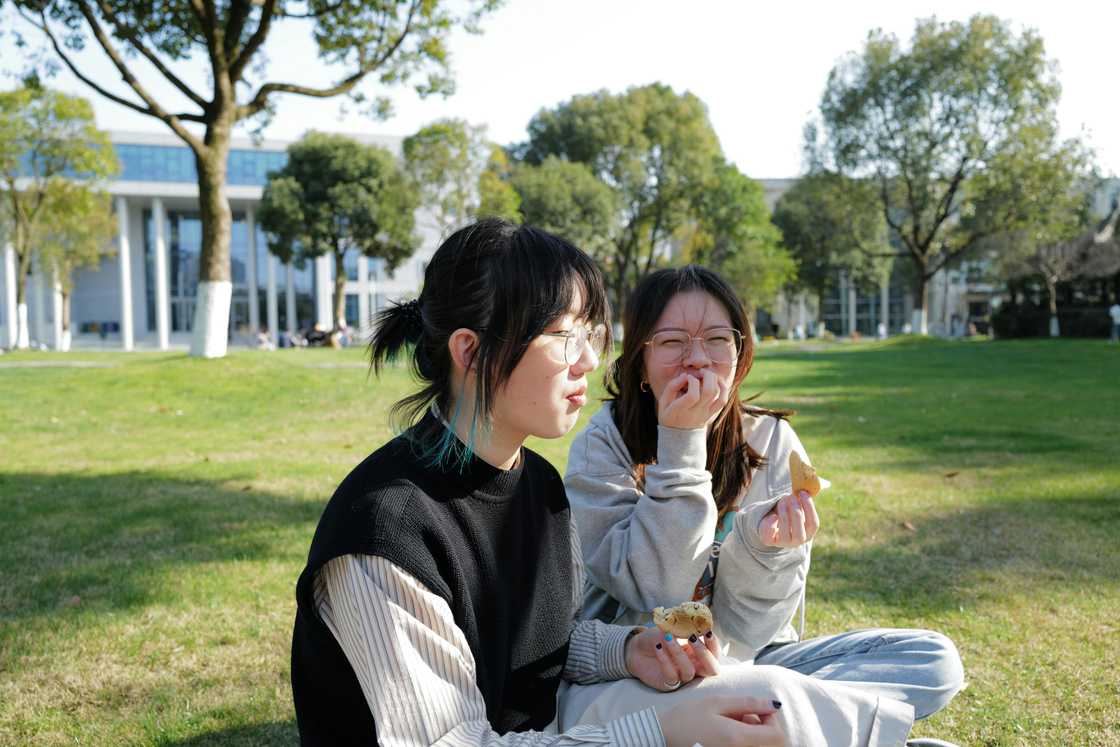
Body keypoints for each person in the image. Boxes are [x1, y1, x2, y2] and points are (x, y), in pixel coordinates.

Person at [290, 222, 788, 747]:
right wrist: (656, 735)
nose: (590, 361)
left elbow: (539, 638)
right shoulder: (385, 536)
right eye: (562, 336)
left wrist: (629, 648)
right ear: (471, 351)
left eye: (590, 334)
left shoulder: (540, 485)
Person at [563, 265, 963, 740]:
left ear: (741, 352)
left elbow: (753, 631)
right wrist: (682, 440)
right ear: (641, 364)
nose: (698, 360)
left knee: (934, 663)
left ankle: (761, 711)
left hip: (749, 658)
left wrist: (763, 549)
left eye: (716, 339)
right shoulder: (603, 446)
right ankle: (793, 717)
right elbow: (657, 592)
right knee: (753, 695)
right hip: (645, 669)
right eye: (672, 342)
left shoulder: (772, 441)